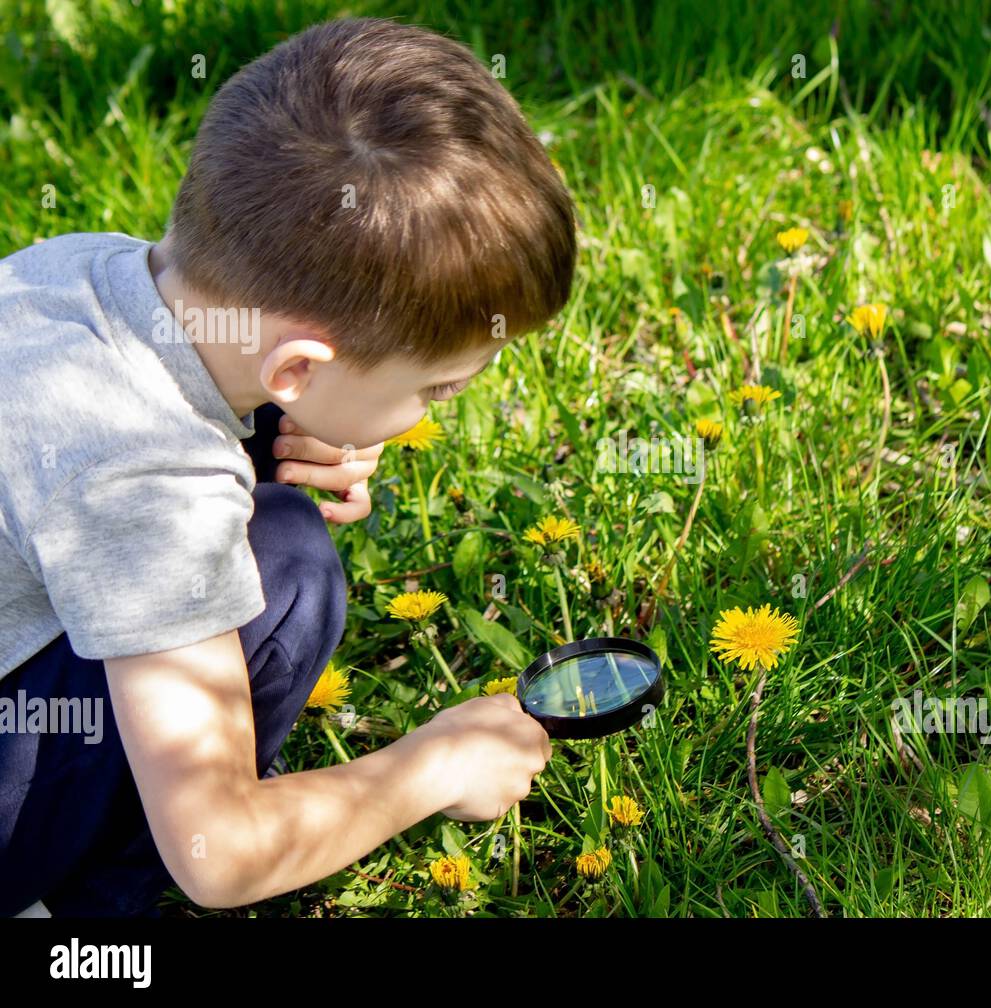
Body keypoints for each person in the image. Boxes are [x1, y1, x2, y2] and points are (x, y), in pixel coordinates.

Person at [0, 17, 572, 916]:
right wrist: (428, 767)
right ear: (297, 367)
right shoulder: (149, 491)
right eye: (437, 389)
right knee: (291, 566)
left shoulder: (69, 271)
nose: (433, 412)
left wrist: (270, 430)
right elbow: (221, 854)